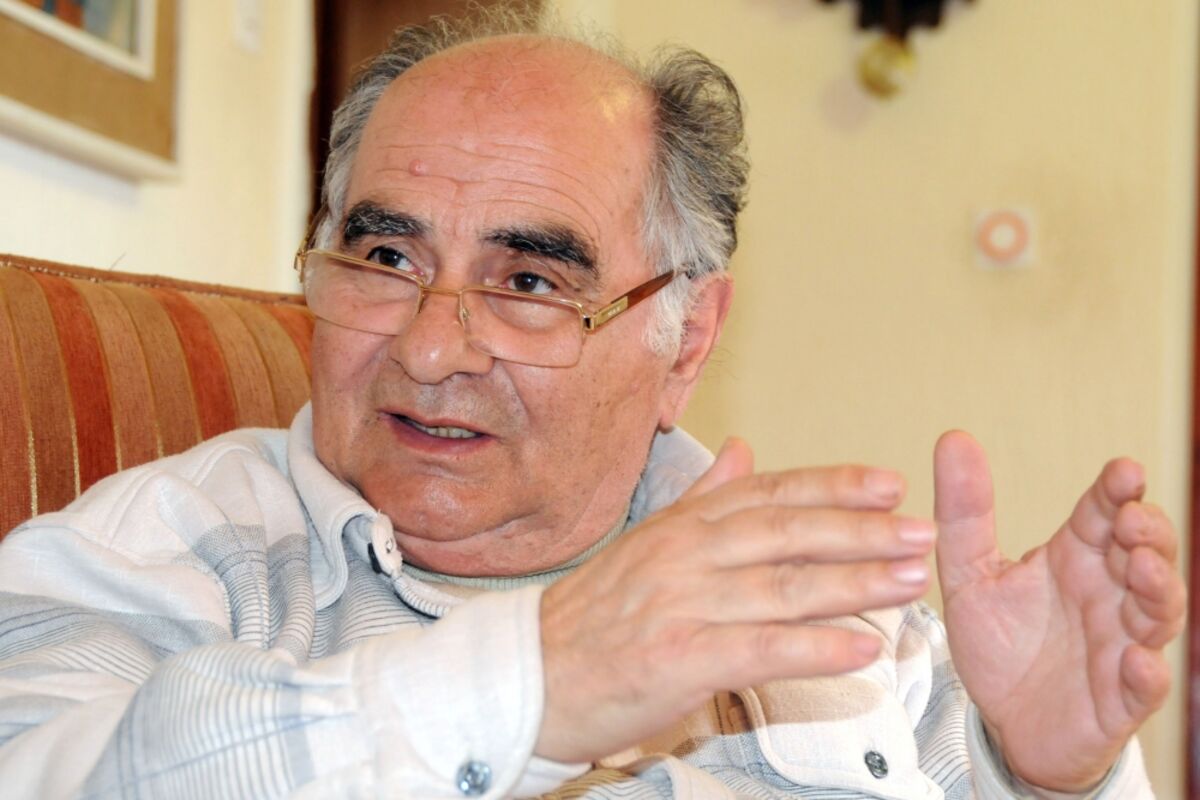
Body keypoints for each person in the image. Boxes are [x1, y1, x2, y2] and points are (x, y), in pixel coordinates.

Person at [0, 10, 1184, 800]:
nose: (431, 345)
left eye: (528, 283)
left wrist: (1044, 774)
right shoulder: (162, 553)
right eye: (387, 257)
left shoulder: (833, 611)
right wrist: (538, 678)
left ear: (687, 340)